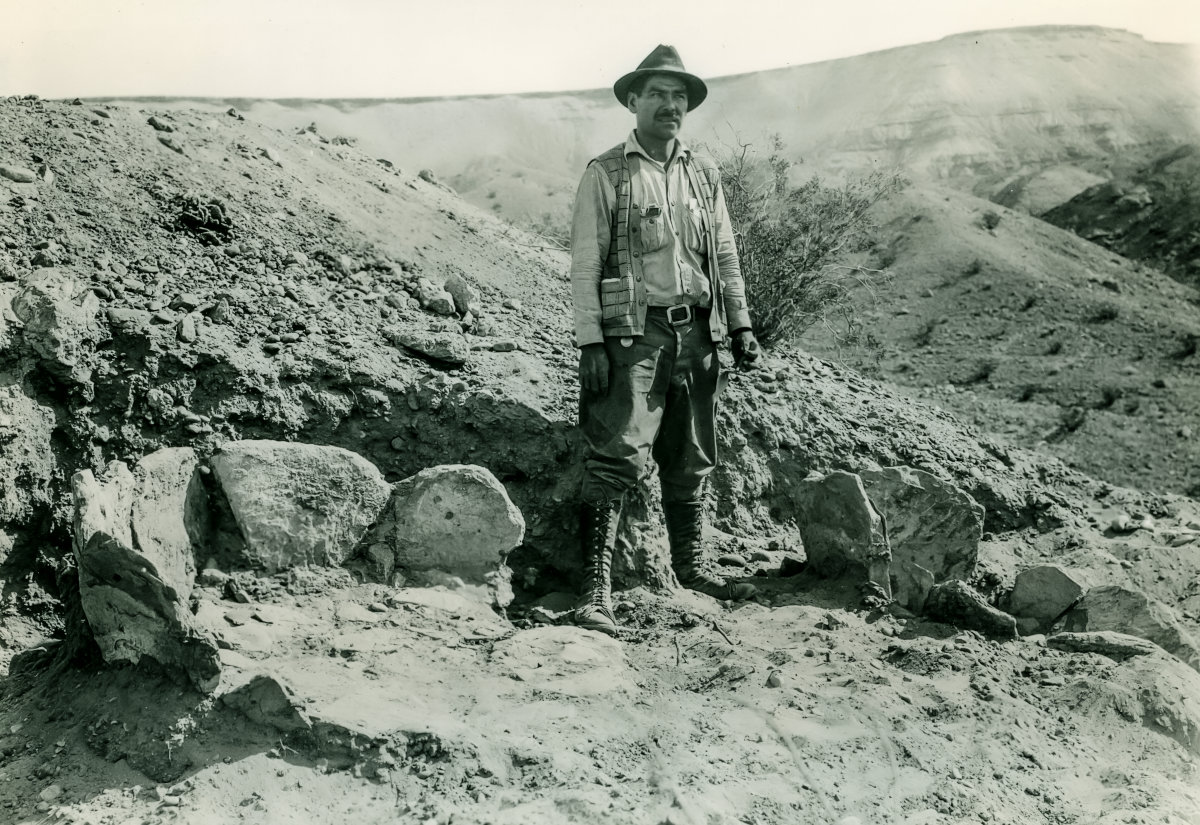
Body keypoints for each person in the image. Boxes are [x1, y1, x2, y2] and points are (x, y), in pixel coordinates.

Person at [569, 45, 762, 636]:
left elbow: (724, 252)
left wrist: (741, 324)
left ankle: (693, 568)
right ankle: (594, 590)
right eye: (657, 94)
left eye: (679, 97)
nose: (670, 106)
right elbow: (584, 262)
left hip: (698, 332)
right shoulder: (605, 173)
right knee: (618, 453)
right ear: (633, 101)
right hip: (636, 333)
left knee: (691, 452)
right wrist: (591, 342)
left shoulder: (703, 174)